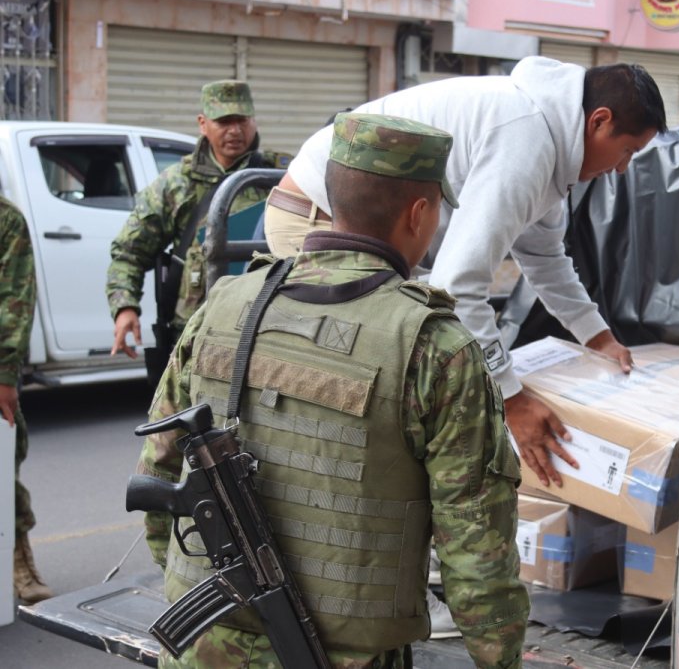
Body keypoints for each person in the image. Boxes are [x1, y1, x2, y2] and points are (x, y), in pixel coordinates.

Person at [134, 112, 527, 668]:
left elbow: (158, 463)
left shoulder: (222, 303)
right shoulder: (435, 348)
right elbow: (476, 551)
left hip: (204, 645)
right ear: (420, 213)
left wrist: (189, 567)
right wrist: (500, 658)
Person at [262, 58, 667, 489]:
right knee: (367, 377)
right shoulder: (527, 139)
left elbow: (545, 258)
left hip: (373, 229)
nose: (622, 168)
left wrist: (597, 336)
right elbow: (458, 284)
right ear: (599, 121)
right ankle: (325, 495)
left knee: (409, 365)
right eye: (628, 151)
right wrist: (511, 401)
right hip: (319, 217)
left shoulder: (553, 148)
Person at [107, 80, 290, 374]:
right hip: (194, 331)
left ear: (254, 121)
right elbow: (129, 251)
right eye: (224, 121)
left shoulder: (279, 176)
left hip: (263, 327)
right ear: (203, 124)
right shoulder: (176, 183)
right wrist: (125, 307)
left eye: (242, 120)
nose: (235, 131)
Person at [0, 199, 49, 604]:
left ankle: (19, 560)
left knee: (2, 470)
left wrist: (4, 374)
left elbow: (16, 299)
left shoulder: (5, 219)